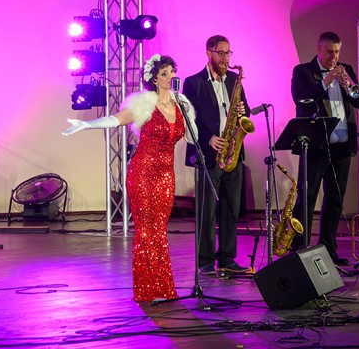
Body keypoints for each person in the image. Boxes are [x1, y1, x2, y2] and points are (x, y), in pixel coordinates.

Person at [62, 53, 196, 305]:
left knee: (159, 230)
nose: (170, 77)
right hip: (143, 173)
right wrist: (86, 125)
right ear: (154, 78)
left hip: (166, 175)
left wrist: (187, 109)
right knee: (146, 230)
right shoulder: (144, 104)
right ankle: (147, 289)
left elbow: (193, 137)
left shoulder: (180, 104)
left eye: (172, 72)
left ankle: (163, 287)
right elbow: (116, 120)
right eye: (164, 73)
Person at [289, 31, 359, 265]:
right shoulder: (303, 71)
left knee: (335, 199)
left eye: (337, 52)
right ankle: (299, 248)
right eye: (330, 52)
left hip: (342, 146)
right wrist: (326, 81)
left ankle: (328, 249)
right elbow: (301, 99)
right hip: (316, 146)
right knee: (307, 196)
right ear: (319, 49)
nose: (334, 57)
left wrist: (349, 85)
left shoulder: (346, 70)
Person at [182, 35, 252, 276]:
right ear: (209, 53)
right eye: (220, 53)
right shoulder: (193, 83)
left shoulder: (234, 79)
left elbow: (246, 110)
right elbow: (189, 120)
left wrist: (243, 110)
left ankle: (227, 259)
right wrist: (208, 139)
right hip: (209, 153)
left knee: (232, 209)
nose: (225, 59)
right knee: (207, 210)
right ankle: (205, 260)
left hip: (233, 151)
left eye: (228, 53)